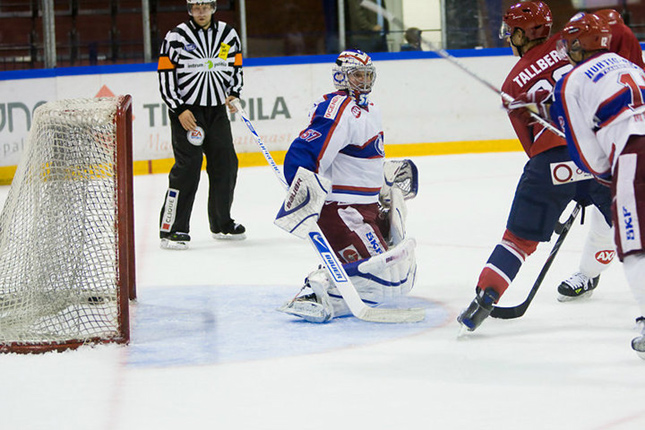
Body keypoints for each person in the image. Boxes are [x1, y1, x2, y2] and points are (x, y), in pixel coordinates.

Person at [457, 1, 615, 332]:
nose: (508, 37)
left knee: (517, 241)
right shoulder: (570, 41)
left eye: (510, 31)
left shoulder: (513, 84)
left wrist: (560, 176)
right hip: (598, 152)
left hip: (550, 161)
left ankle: (486, 296)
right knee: (635, 227)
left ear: (520, 33)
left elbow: (531, 147)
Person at [276, 49, 418, 322]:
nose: (364, 80)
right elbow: (304, 150)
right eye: (357, 75)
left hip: (365, 208)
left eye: (367, 74)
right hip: (343, 211)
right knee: (379, 275)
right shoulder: (339, 109)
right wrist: (302, 189)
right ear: (341, 77)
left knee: (393, 270)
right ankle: (316, 289)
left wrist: (383, 184)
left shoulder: (370, 109)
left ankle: (332, 276)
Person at [547, 12, 645, 359]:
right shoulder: (629, 63)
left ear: (579, 43)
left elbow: (585, 152)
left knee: (634, 244)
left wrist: (606, 177)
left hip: (635, 156)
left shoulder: (571, 81)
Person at [157, 0, 246, 250]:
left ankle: (222, 222)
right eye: (196, 8)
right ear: (189, 10)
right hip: (187, 113)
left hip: (216, 111)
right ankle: (172, 229)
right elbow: (165, 75)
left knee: (226, 164)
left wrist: (233, 93)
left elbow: (234, 66)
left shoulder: (227, 34)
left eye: (205, 7)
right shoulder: (176, 37)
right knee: (188, 168)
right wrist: (179, 109)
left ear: (213, 8)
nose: (201, 12)